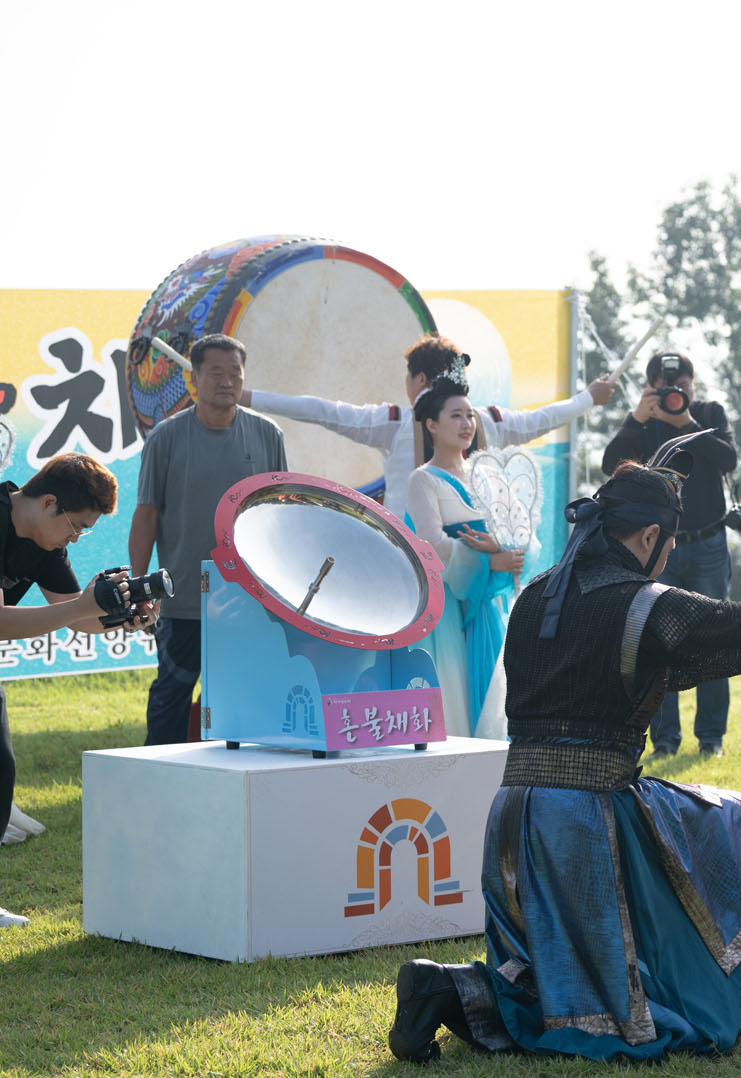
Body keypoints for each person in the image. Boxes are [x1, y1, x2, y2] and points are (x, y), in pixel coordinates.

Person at [386, 451, 741, 1063]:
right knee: (736, 825)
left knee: (547, 976)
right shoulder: (647, 603)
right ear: (650, 536)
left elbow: (684, 657)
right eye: (671, 544)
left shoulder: (536, 596)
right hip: (583, 823)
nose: (672, 557)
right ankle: (687, 984)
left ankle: (445, 987)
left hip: (511, 818)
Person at [1, 453, 158, 927]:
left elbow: (73, 612)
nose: (76, 538)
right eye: (77, 527)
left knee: (1, 770)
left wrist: (122, 617)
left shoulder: (44, 542)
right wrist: (83, 608)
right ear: (48, 502)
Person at [243, 332, 614, 517]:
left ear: (419, 379)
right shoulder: (488, 420)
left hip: (408, 556)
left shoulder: (393, 423)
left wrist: (248, 397)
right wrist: (588, 398)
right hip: (474, 555)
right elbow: (543, 419)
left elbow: (321, 411)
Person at [130, 334, 287, 746]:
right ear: (193, 378)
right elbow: (146, 515)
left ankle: (239, 771)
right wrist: (139, 587)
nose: (227, 381)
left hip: (249, 598)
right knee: (172, 695)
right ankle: (159, 771)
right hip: (182, 599)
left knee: (245, 696)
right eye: (216, 372)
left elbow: (280, 515)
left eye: (235, 372)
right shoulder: (165, 437)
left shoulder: (268, 435)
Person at [602, 351, 738, 758]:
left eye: (682, 386)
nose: (675, 395)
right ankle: (664, 740)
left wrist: (688, 425)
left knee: (714, 637)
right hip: (658, 547)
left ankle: (711, 738)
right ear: (650, 389)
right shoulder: (645, 422)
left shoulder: (709, 413)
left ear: (694, 384)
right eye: (665, 388)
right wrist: (636, 419)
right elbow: (610, 465)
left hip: (709, 541)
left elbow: (729, 459)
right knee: (658, 640)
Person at [403, 362, 534, 739]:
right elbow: (433, 545)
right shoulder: (423, 480)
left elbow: (522, 533)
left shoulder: (488, 475)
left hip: (488, 604)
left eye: (470, 416)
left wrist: (502, 548)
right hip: (448, 607)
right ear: (431, 425)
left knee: (498, 696)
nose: (466, 424)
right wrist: (490, 559)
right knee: (455, 695)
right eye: (456, 415)